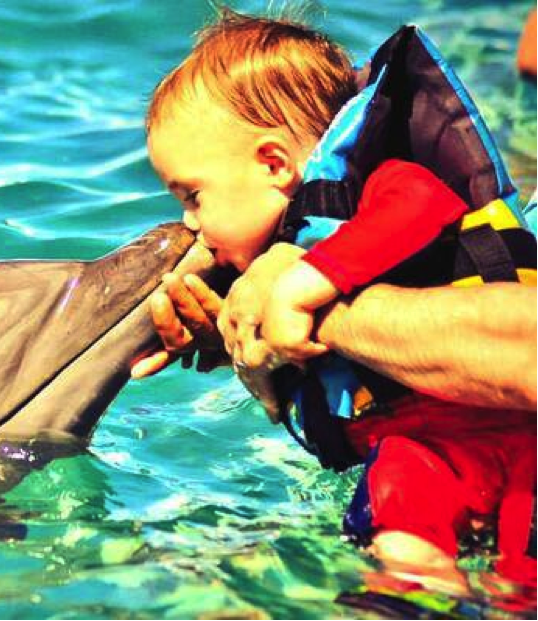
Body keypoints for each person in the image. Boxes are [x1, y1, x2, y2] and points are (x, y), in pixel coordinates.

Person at [132, 8, 537, 593]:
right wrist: (234, 324)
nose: (188, 223)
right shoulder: (293, 246)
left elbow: (423, 202)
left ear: (274, 163)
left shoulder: (375, 185)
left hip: (514, 433)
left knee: (523, 577)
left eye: (193, 197)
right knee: (396, 535)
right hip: (424, 454)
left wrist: (301, 287)